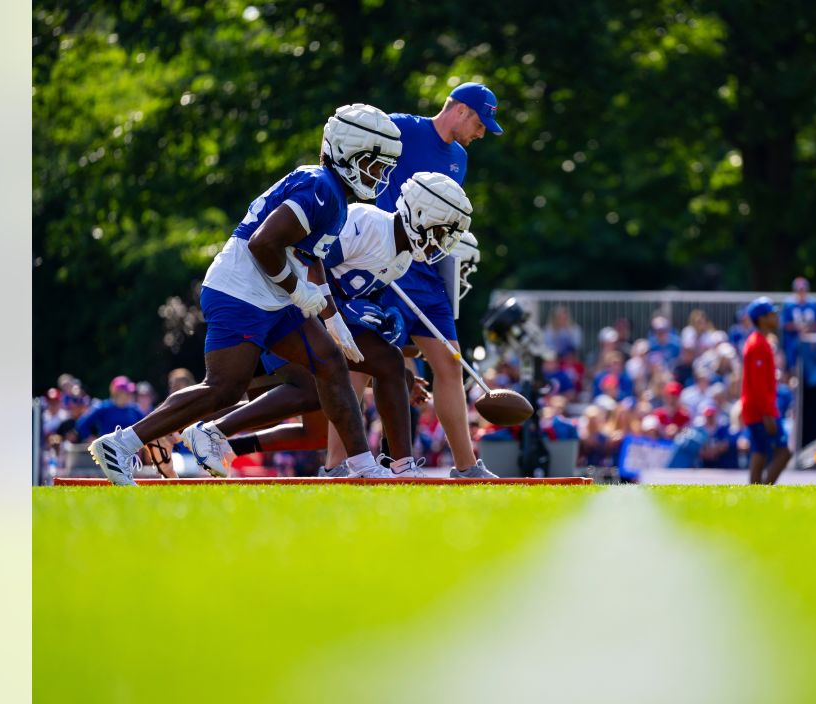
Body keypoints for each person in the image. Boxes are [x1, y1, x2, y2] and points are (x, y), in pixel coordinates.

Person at [88, 104, 403, 485]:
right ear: (348, 152)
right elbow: (263, 243)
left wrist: (332, 316)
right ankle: (123, 443)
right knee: (224, 387)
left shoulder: (333, 195)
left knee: (328, 363)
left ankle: (362, 465)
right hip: (241, 289)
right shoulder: (319, 185)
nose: (379, 175)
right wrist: (298, 292)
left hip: (271, 291)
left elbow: (311, 258)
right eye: (374, 164)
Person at [180, 173, 469, 478]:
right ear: (422, 214)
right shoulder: (366, 223)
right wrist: (343, 310)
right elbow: (308, 263)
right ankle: (208, 431)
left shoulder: (404, 257)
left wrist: (382, 318)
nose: (443, 240)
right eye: (442, 230)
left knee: (390, 362)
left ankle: (402, 466)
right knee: (299, 392)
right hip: (291, 309)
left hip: (328, 318)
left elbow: (363, 293)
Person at [374, 82, 504, 479]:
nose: (481, 133)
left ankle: (465, 467)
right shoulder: (399, 128)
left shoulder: (459, 158)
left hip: (428, 272)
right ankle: (337, 464)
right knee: (364, 363)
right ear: (462, 110)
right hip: (386, 266)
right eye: (481, 124)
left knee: (450, 364)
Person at [741, 297, 791, 484]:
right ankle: (762, 489)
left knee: (761, 450)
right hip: (760, 410)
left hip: (760, 409)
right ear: (762, 319)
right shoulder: (758, 344)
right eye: (772, 314)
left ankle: (757, 490)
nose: (776, 317)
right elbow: (758, 385)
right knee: (781, 451)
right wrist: (767, 414)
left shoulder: (760, 341)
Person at [76, 376, 146, 441]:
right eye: (126, 392)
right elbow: (81, 424)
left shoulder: (134, 409)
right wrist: (93, 441)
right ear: (117, 393)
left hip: (131, 452)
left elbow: (146, 425)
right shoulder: (103, 407)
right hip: (108, 452)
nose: (129, 394)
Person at [780, 276, 816, 370]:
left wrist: (808, 329)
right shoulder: (789, 305)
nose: (801, 292)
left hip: (811, 340)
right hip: (793, 339)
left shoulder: (813, 304)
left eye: (803, 289)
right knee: (792, 362)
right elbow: (785, 324)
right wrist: (799, 327)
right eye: (799, 290)